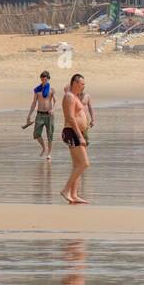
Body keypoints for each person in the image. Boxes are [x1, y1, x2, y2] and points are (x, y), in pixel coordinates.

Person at [60, 74, 90, 204]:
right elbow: (71, 118)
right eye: (82, 84)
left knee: (77, 165)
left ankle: (74, 194)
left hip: (78, 132)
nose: (83, 86)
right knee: (84, 163)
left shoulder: (74, 96)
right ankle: (66, 190)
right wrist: (79, 135)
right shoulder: (69, 97)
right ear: (75, 83)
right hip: (72, 132)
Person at [24, 70, 56, 160]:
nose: (43, 81)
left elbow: (55, 101)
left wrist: (53, 109)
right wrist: (29, 115)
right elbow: (34, 102)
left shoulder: (52, 89)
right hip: (40, 114)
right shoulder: (37, 90)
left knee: (50, 135)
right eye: (42, 79)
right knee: (36, 134)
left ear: (48, 79)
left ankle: (49, 153)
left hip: (49, 115)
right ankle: (44, 147)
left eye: (45, 79)